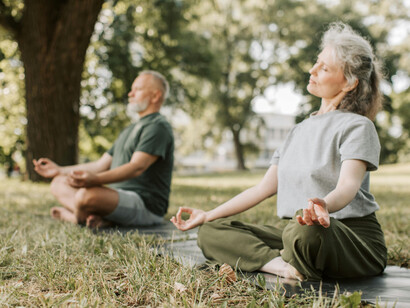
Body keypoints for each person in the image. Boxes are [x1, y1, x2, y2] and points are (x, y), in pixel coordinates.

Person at [171, 22, 387, 281]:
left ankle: (293, 258)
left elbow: (348, 186)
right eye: (316, 62)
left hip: (349, 239)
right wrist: (208, 214)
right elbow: (261, 189)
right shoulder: (297, 131)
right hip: (297, 232)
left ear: (349, 83)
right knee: (211, 231)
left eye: (324, 67)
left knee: (304, 230)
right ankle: (283, 267)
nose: (312, 70)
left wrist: (324, 205)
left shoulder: (358, 126)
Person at [33, 70, 174, 228]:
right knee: (58, 183)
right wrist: (60, 170)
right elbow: (99, 166)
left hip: (145, 204)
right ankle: (100, 218)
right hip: (114, 199)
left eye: (138, 89)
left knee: (86, 195)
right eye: (132, 89)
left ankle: (75, 217)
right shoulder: (130, 129)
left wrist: (95, 180)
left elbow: (136, 167)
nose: (130, 94)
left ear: (155, 96)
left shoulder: (157, 126)